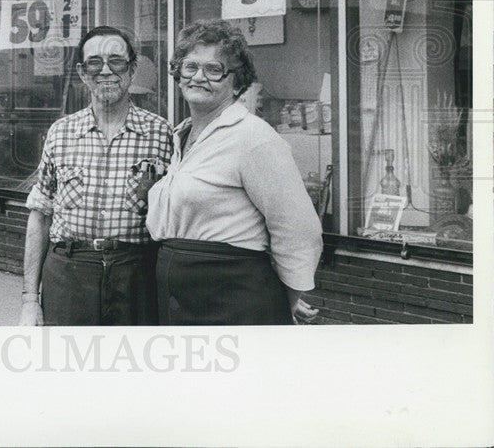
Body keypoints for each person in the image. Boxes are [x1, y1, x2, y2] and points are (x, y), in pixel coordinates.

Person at [145, 19, 323, 325]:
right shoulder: (180, 135)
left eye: (214, 69)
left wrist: (285, 302)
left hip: (233, 301)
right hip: (181, 301)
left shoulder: (253, 137)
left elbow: (299, 231)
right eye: (190, 67)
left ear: (237, 82)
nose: (198, 77)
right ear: (178, 73)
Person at [20, 26, 173, 326]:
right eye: (94, 62)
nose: (105, 71)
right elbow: (39, 216)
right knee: (69, 365)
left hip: (137, 273)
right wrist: (29, 300)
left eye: (116, 61)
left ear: (132, 69)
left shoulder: (161, 134)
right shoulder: (60, 134)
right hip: (69, 272)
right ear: (82, 72)